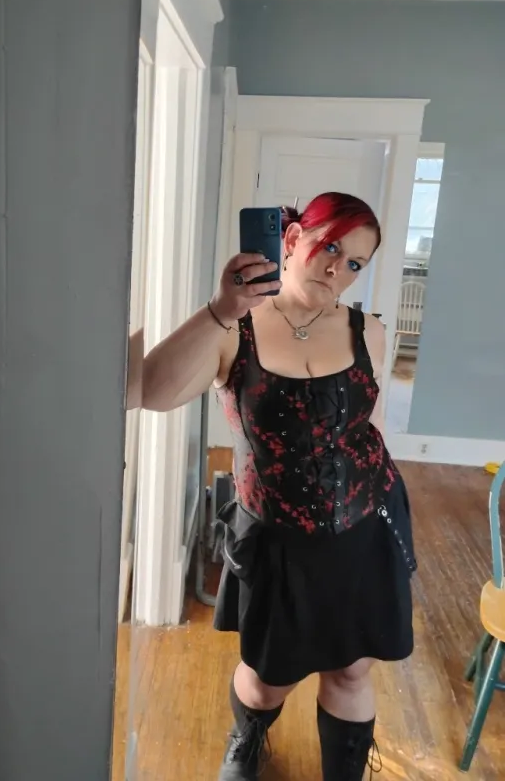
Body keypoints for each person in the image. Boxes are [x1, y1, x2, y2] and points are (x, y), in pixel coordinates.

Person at [141, 192, 417, 781]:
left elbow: (367, 426)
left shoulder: (368, 330)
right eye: (330, 246)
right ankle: (247, 740)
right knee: (270, 676)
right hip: (279, 538)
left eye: (355, 263)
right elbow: (152, 391)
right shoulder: (233, 328)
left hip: (364, 527)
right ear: (291, 240)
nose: (337, 269)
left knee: (352, 668)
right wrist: (220, 308)